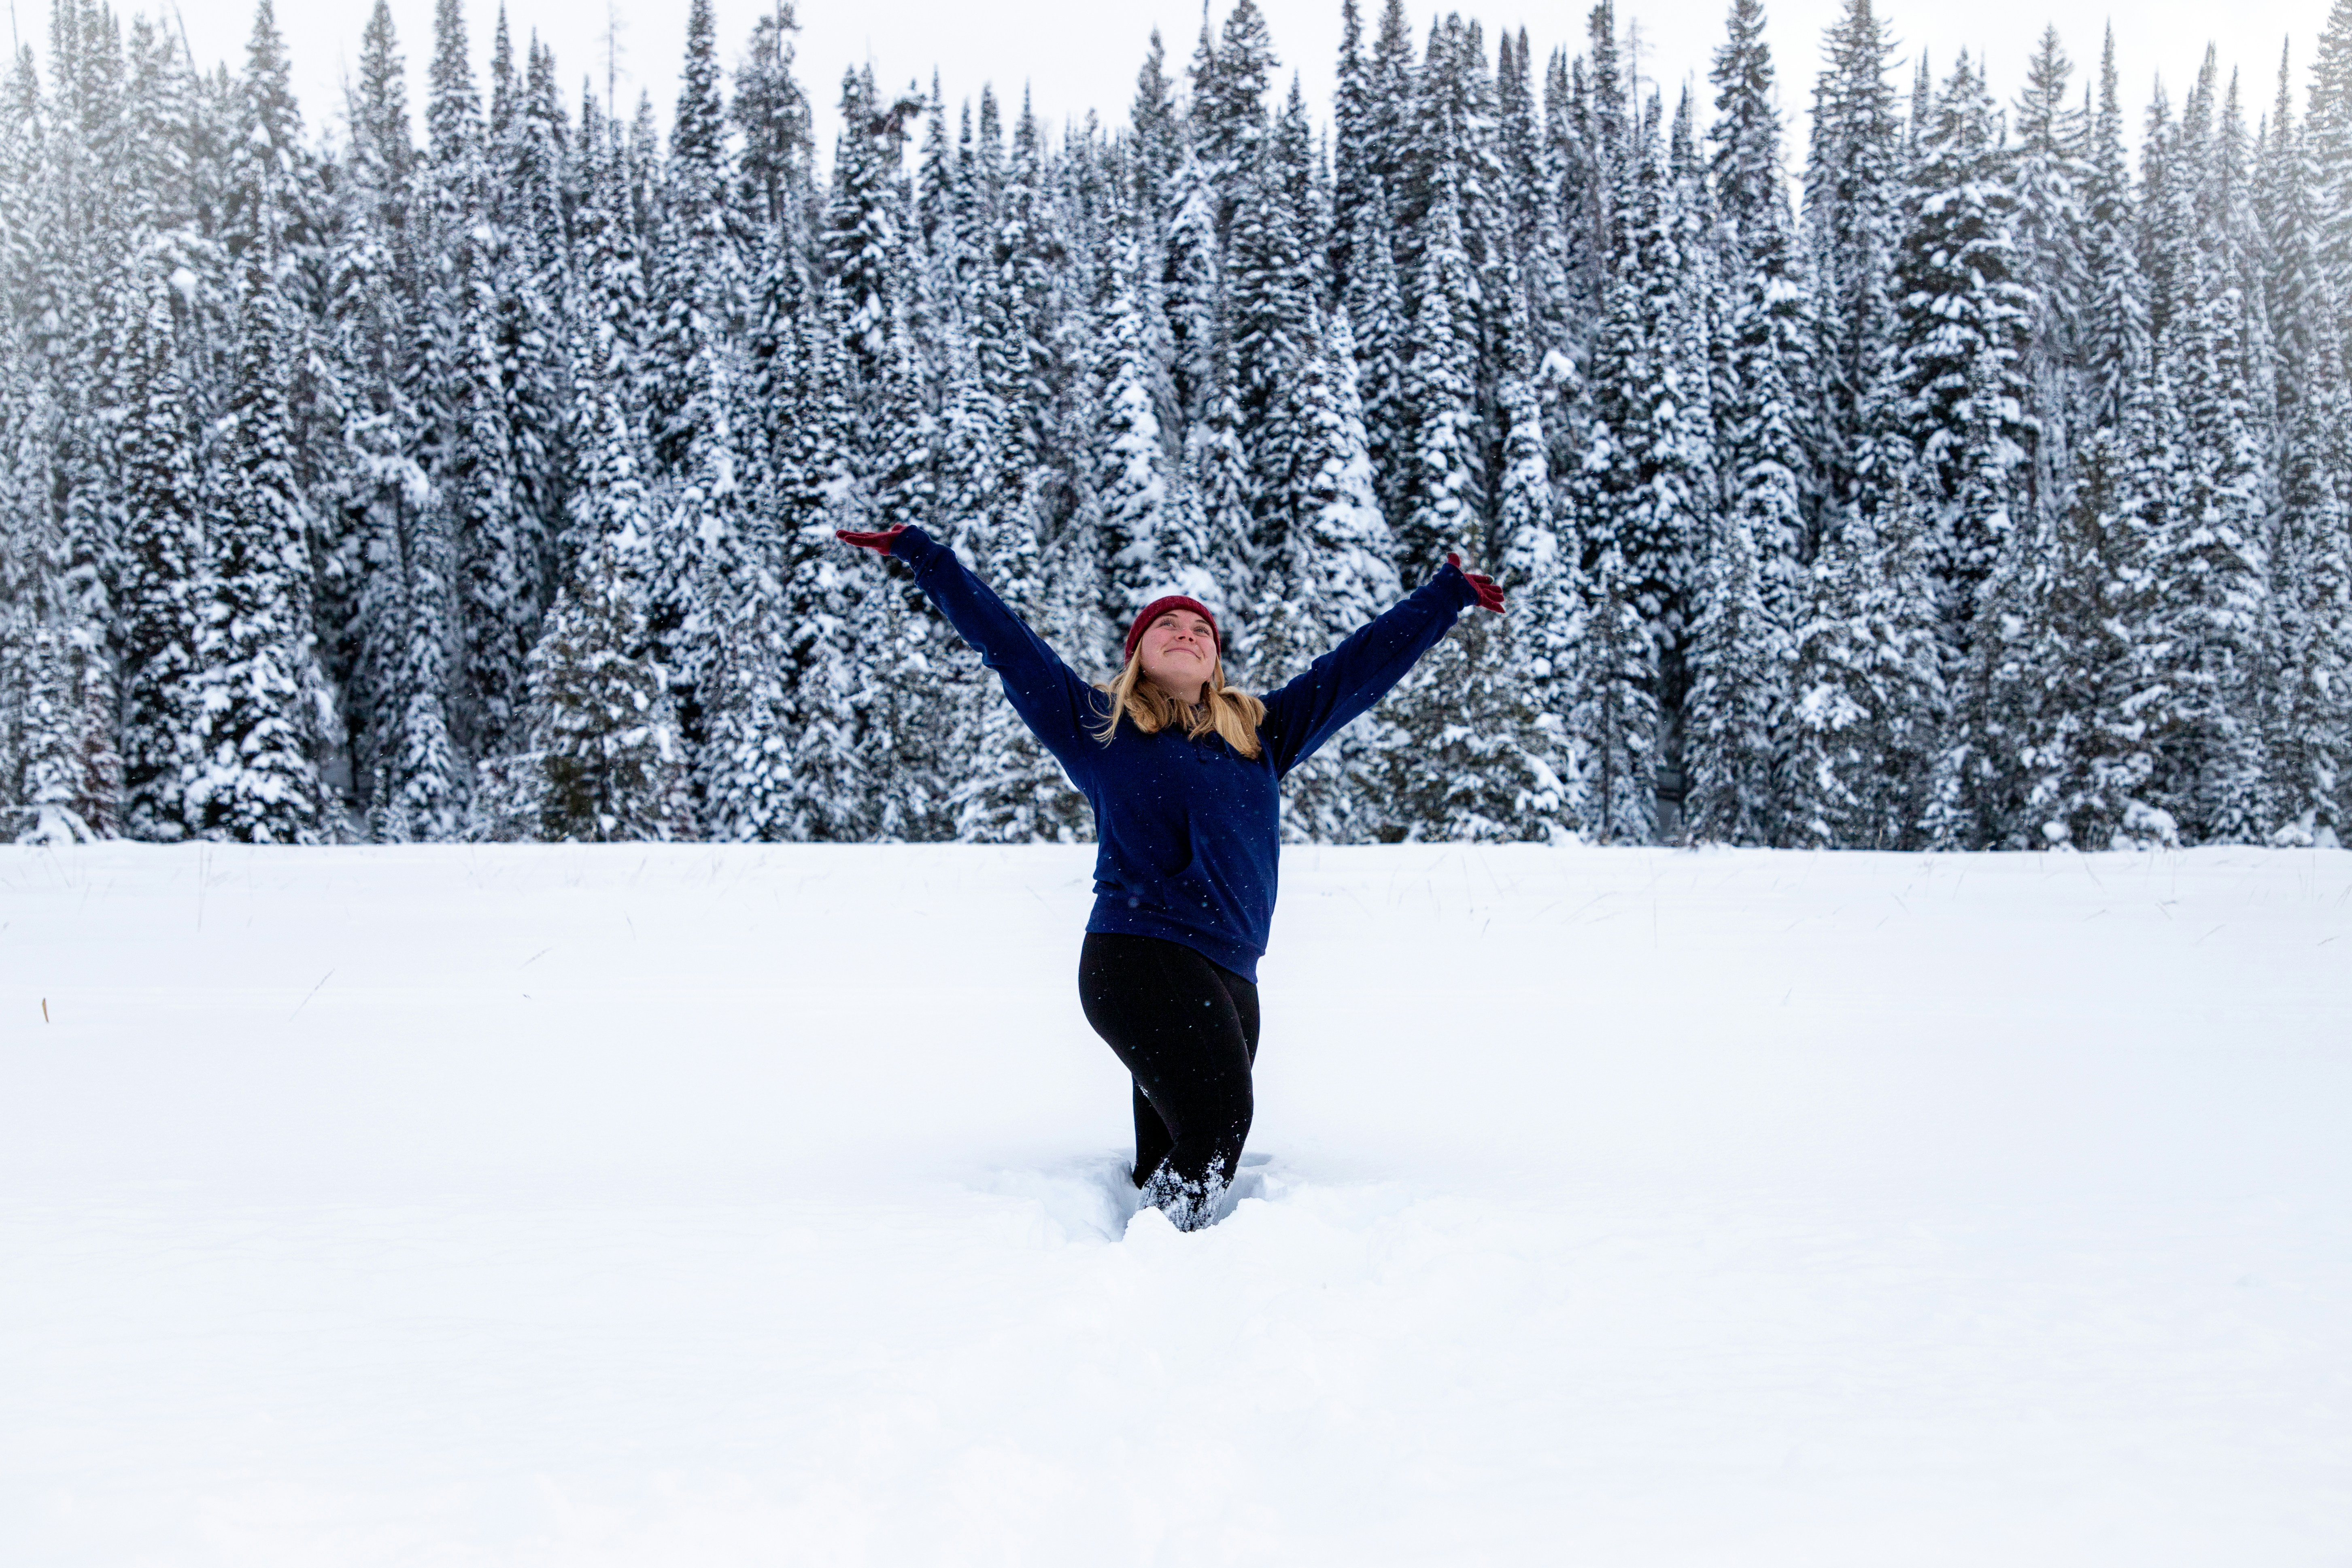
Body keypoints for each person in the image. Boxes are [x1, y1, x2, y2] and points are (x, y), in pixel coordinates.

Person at [837, 522, 1505, 1230]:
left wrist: (1443, 598)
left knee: (1172, 1151)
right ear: (1138, 655)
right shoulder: (1098, 725)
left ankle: (1159, 1279)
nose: (1186, 632)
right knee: (1219, 1122)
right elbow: (1008, 643)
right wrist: (927, 555)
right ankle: (1156, 1268)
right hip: (1139, 955)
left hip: (1233, 973)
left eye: (1201, 629)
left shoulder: (1260, 735)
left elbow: (1354, 671)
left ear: (1216, 660)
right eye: (1167, 625)